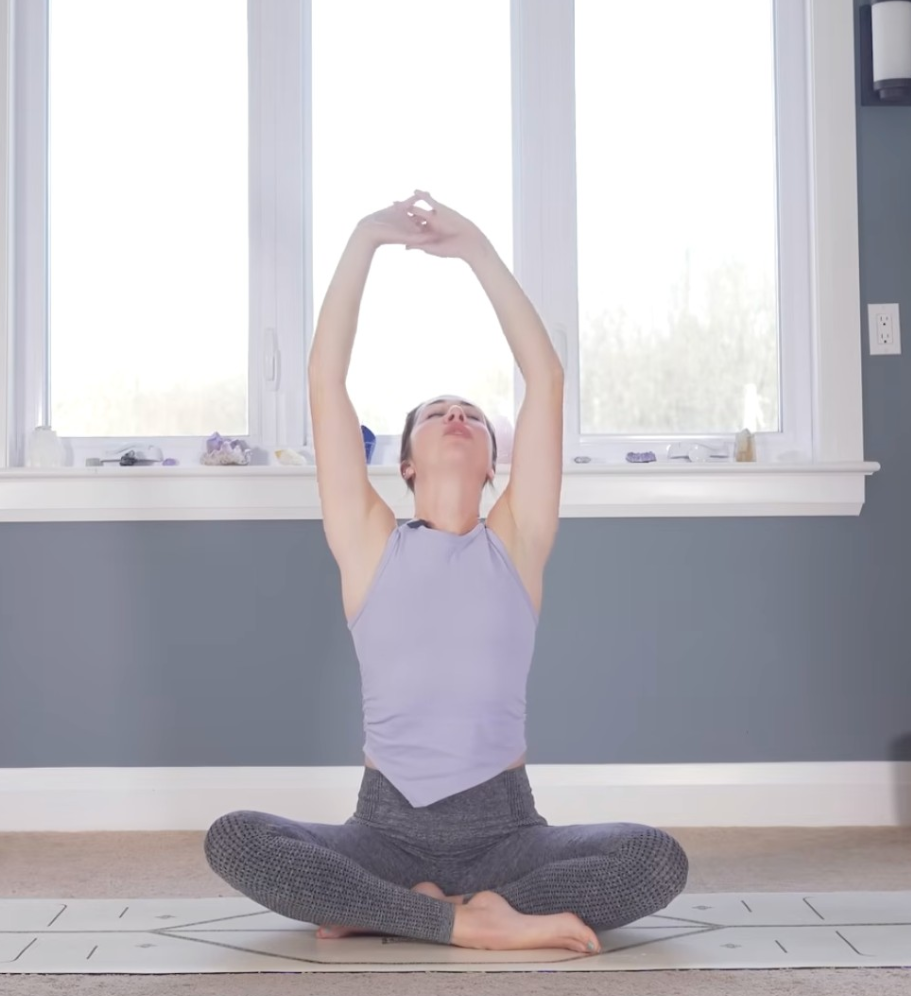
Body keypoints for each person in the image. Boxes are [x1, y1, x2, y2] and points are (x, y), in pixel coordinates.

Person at [204, 191, 688, 954]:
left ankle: (407, 911)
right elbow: (325, 383)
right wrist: (365, 239)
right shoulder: (368, 541)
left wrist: (478, 251)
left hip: (507, 834)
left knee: (656, 861)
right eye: (436, 413)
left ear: (497, 464)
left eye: (469, 413)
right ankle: (468, 920)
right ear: (404, 462)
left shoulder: (517, 540)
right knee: (235, 839)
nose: (457, 416)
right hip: (383, 830)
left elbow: (546, 378)